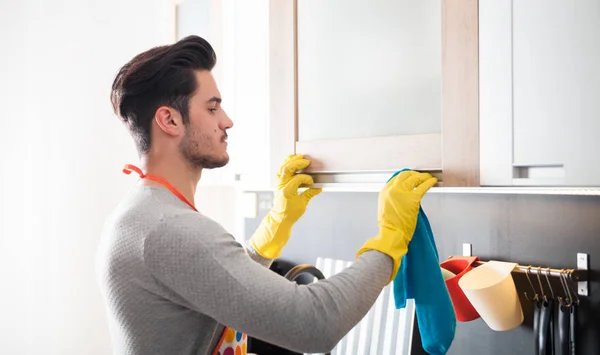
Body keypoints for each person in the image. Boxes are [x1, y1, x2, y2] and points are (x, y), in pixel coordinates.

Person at [96, 35, 437, 355]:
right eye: (212, 108)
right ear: (169, 120)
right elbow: (314, 323)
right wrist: (391, 239)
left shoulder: (143, 214)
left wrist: (276, 224)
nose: (227, 121)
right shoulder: (169, 228)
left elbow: (214, 281)